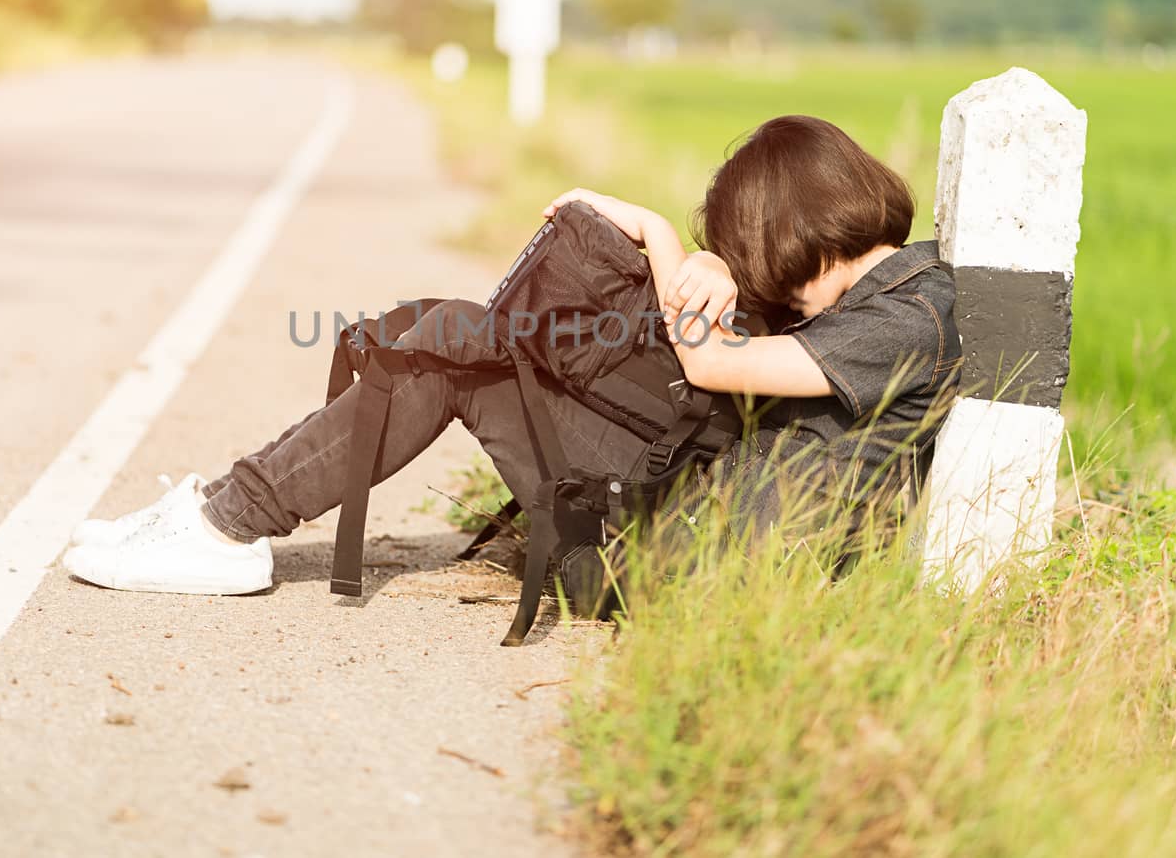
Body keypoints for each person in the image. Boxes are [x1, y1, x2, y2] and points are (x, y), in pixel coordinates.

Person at [61, 115, 961, 595]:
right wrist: (718, 265)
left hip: (678, 569)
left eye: (753, 244)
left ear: (790, 227)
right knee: (462, 337)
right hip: (683, 522)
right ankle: (229, 510)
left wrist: (653, 229)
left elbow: (716, 368)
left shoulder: (905, 321)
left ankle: (224, 524)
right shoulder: (887, 296)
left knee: (459, 352)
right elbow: (749, 327)